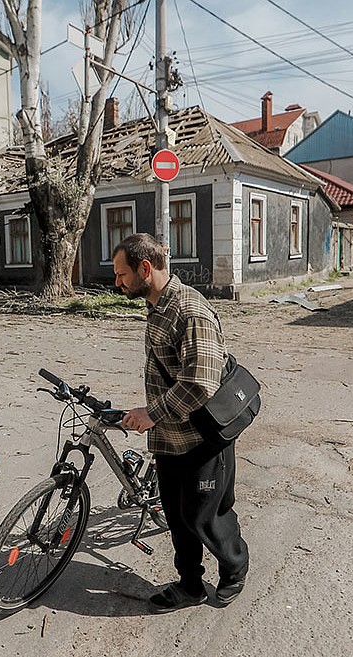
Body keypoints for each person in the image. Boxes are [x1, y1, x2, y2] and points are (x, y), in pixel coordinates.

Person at [113, 233, 250, 614]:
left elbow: (200, 384)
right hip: (170, 438)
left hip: (203, 438)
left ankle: (235, 568)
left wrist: (151, 413)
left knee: (206, 515)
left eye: (122, 274)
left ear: (145, 268)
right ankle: (189, 584)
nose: (117, 282)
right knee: (176, 514)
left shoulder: (191, 311)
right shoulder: (158, 306)